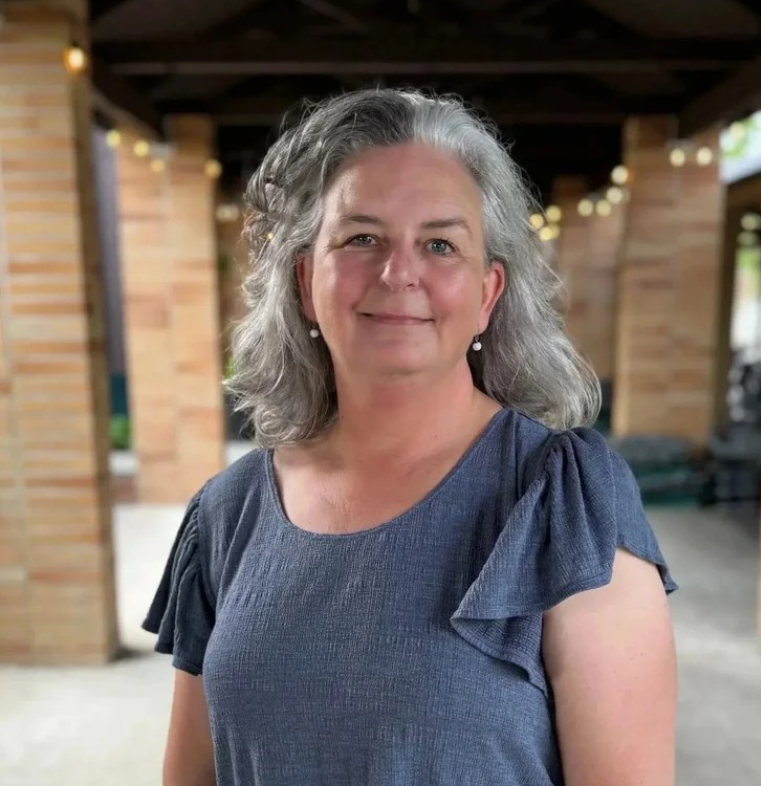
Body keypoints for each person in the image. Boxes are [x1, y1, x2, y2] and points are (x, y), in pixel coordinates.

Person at [143, 88, 678, 786]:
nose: (399, 273)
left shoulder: (563, 502)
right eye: (361, 238)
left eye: (439, 244)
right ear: (306, 282)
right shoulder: (227, 512)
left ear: (487, 295)